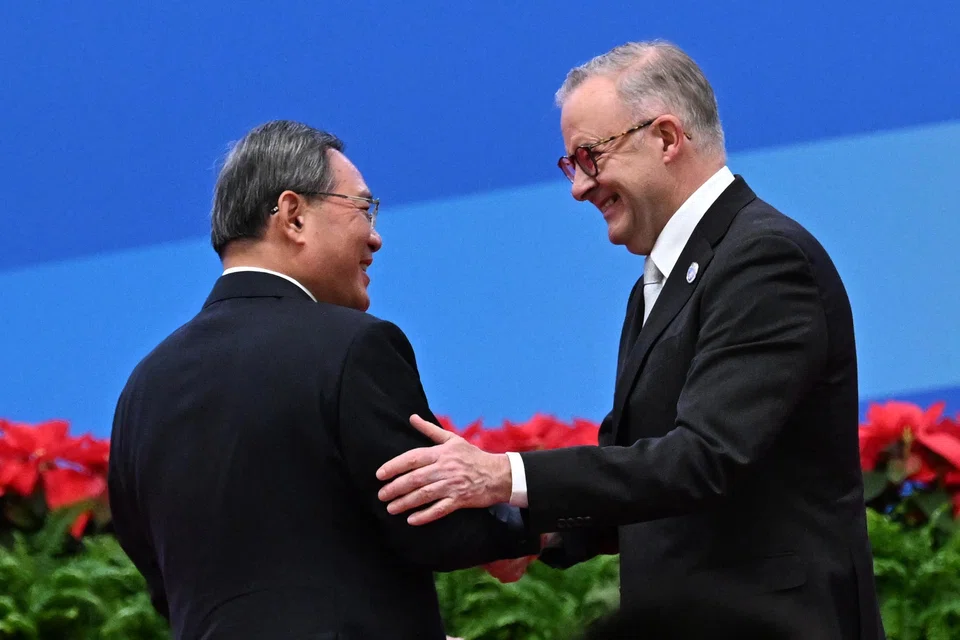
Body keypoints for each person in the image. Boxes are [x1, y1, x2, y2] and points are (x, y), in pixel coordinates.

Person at [376, 41, 885, 639]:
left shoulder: (764, 259)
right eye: (571, 165)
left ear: (666, 138)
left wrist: (502, 476)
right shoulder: (661, 282)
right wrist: (533, 530)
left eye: (590, 156)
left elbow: (702, 460)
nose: (578, 188)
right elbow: (643, 469)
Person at [107, 120, 538, 640]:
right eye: (363, 208)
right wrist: (535, 518)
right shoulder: (355, 346)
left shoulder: (144, 384)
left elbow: (155, 569)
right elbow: (429, 520)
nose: (375, 236)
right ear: (293, 216)